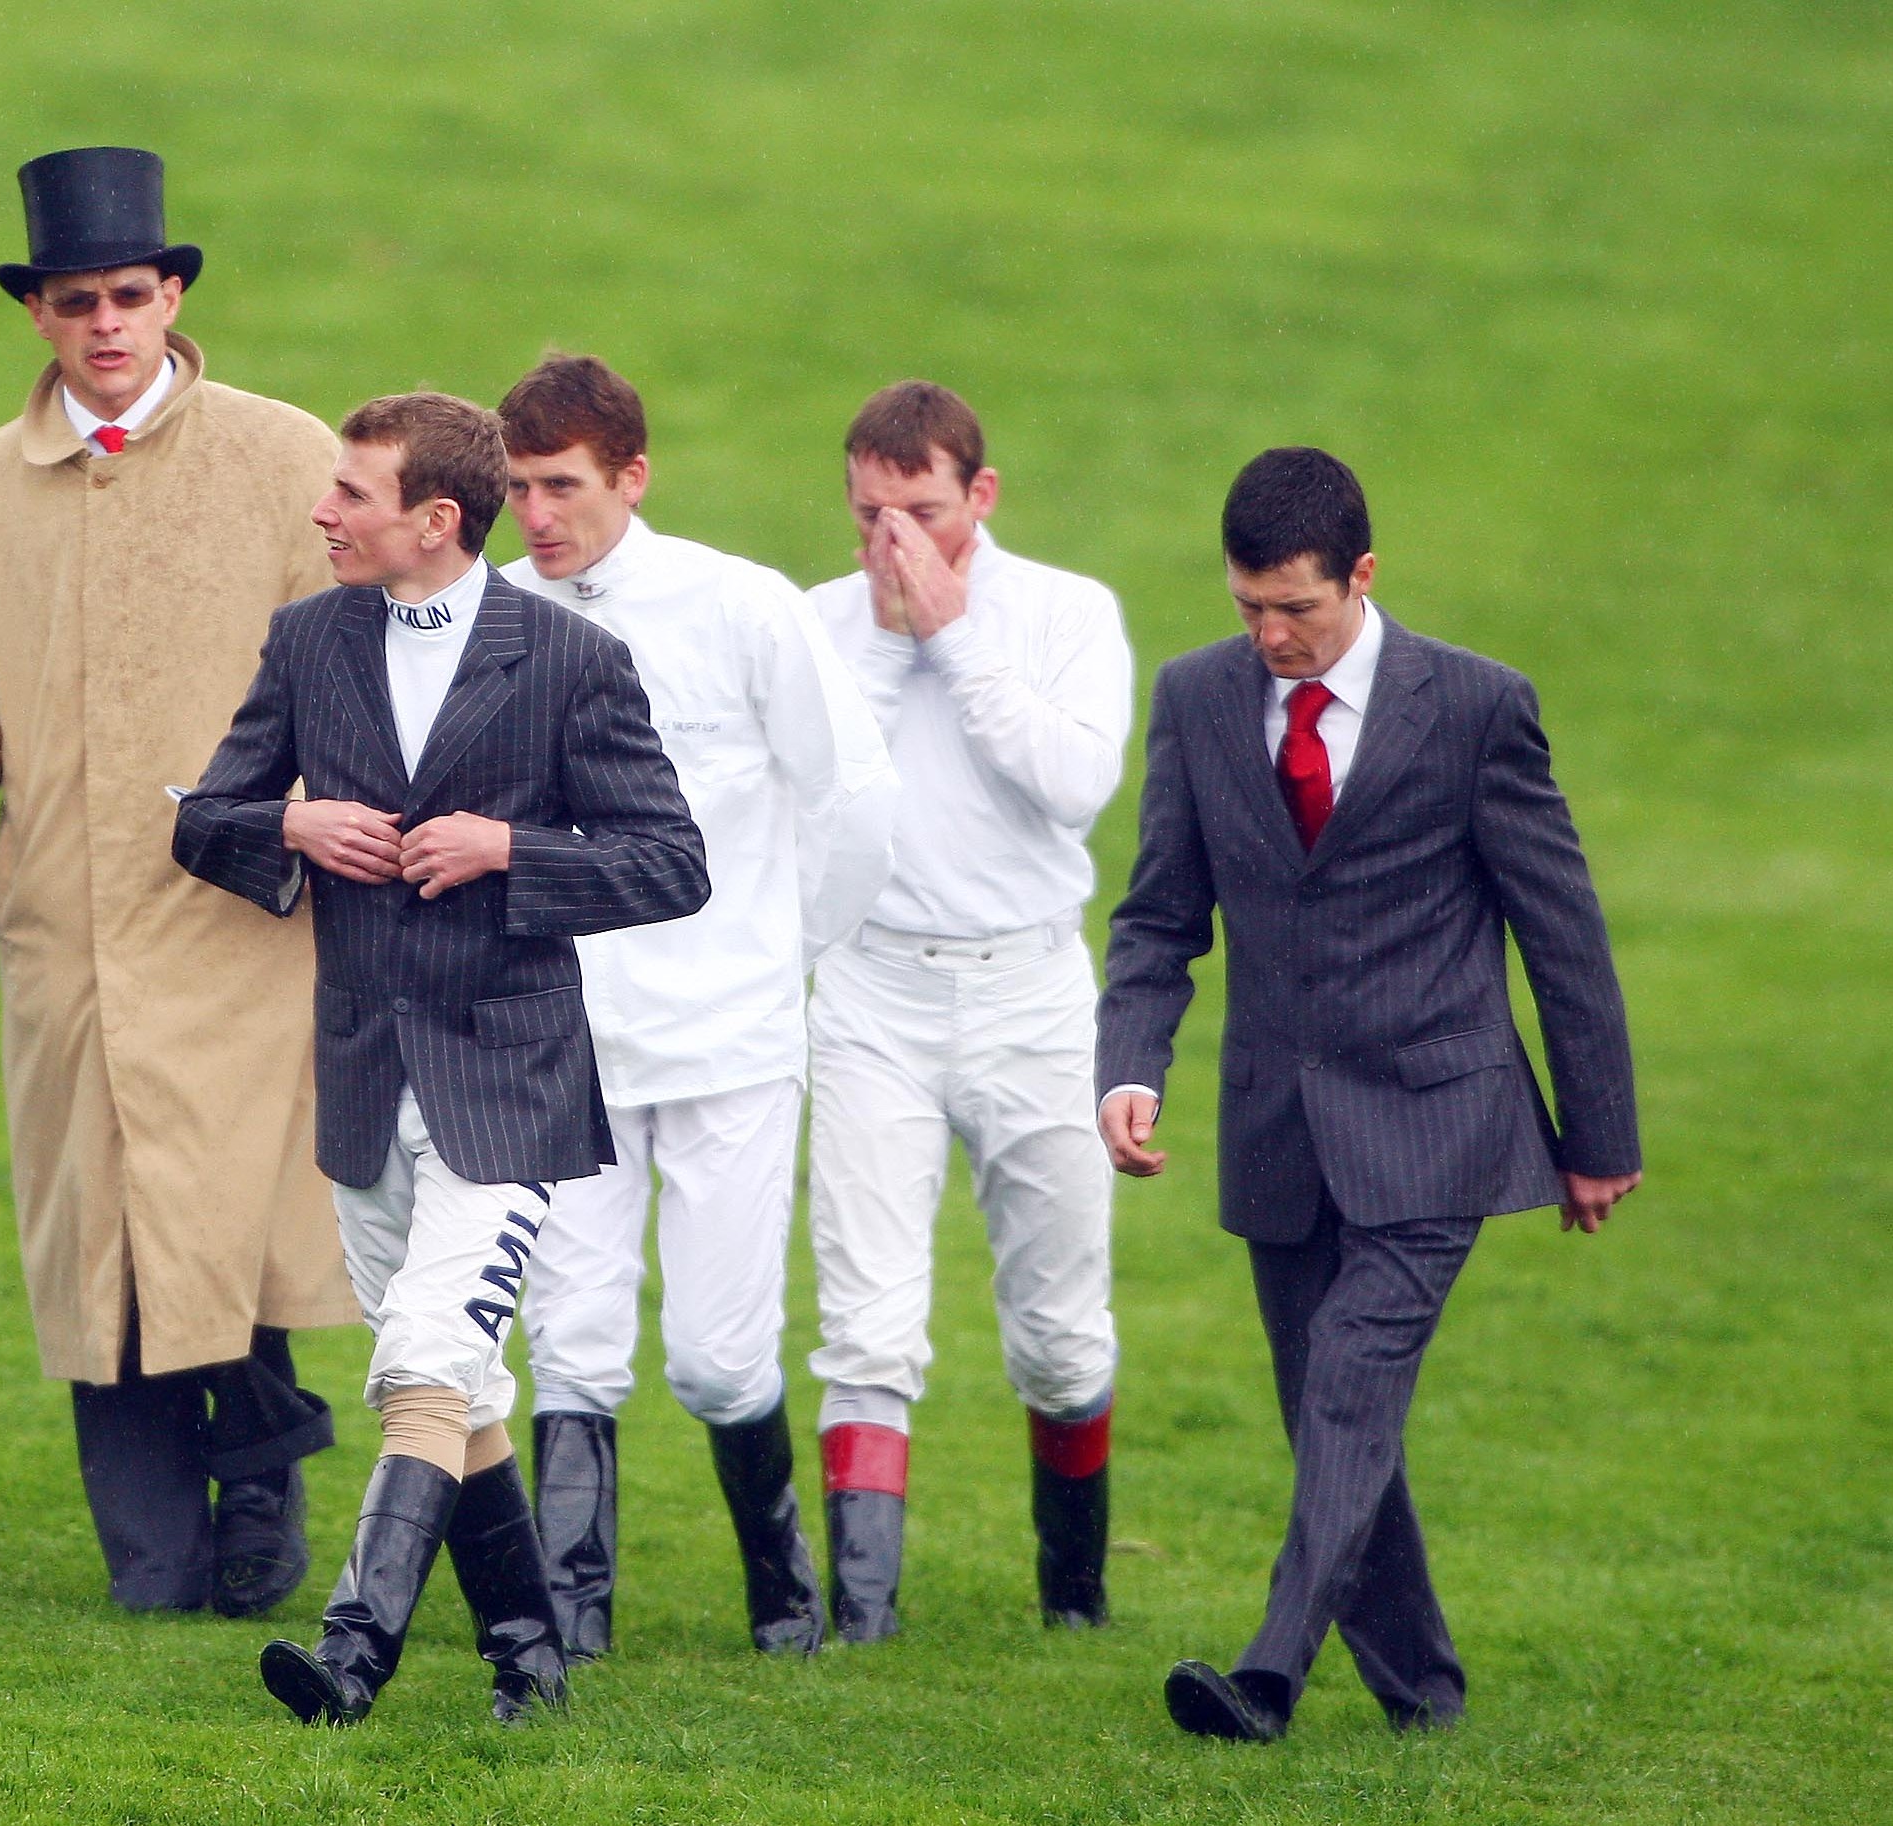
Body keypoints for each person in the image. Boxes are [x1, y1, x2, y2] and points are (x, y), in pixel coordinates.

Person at [0, 148, 351, 1615]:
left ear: (172, 293)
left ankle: (260, 1497)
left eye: (131, 295)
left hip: (242, 924)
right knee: (97, 1242)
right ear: (40, 316)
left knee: (227, 1223)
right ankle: (150, 1549)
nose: (108, 324)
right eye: (78, 303)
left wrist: (312, 814)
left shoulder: (281, 457)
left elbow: (357, 680)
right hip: (65, 927)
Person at [176, 391, 712, 1725]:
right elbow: (207, 820)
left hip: (512, 1078)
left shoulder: (569, 661)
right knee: (453, 1381)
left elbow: (672, 862)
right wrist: (294, 829)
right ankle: (528, 1646)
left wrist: (509, 850)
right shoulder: (308, 640)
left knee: (422, 1351)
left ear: (431, 519)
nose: (321, 510)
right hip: (361, 1071)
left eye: (348, 494)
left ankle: (352, 1649)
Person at [1100, 447, 1639, 1740]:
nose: (1272, 634)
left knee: (1346, 1387)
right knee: (1331, 1419)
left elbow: (1557, 930)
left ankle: (1268, 1672)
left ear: (1362, 574)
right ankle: (1422, 1690)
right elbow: (1158, 915)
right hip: (1277, 1133)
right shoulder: (1192, 700)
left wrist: (1594, 1137)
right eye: (1248, 608)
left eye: (1297, 606)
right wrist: (1130, 1062)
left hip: (1438, 1120)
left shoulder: (1472, 708)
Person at [495, 355, 898, 1660]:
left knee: (722, 1355)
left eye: (561, 485)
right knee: (570, 1338)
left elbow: (849, 795)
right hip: (565, 1040)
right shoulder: (486, 616)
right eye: (515, 488)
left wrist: (780, 952)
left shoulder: (739, 606)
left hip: (725, 1037)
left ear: (632, 475)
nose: (537, 514)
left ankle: (782, 1597)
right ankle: (570, 1617)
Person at [801, 381, 1134, 1637]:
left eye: (922, 513)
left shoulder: (1065, 612)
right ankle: (865, 1621)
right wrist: (891, 642)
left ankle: (1076, 1593)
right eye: (870, 515)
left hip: (1034, 994)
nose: (895, 543)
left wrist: (952, 635)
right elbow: (827, 801)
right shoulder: (825, 625)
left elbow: (1073, 785)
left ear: (979, 497)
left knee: (1059, 1333)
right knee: (867, 1322)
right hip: (874, 989)